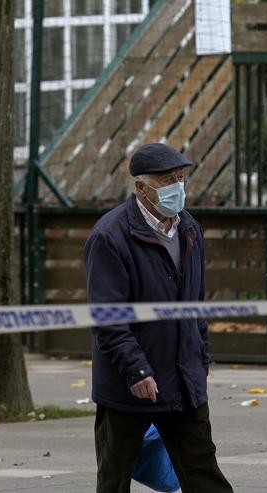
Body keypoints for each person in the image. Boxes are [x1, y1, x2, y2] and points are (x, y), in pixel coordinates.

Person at [84, 143, 233, 493]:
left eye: (181, 178)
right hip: (130, 382)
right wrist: (136, 370)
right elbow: (108, 316)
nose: (177, 187)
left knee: (203, 471)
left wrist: (199, 360)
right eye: (167, 180)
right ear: (141, 187)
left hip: (183, 379)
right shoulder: (110, 236)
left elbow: (195, 305)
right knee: (115, 475)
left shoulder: (189, 229)